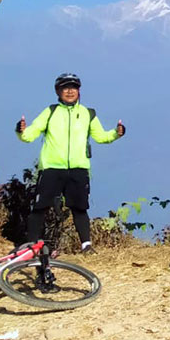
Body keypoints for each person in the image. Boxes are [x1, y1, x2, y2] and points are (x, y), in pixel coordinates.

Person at [16, 73, 125, 252]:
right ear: (58, 91)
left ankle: (86, 246)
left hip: (78, 169)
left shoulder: (87, 113)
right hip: (51, 168)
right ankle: (31, 246)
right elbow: (30, 135)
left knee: (80, 208)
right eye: (65, 88)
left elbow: (101, 136)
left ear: (79, 91)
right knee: (40, 206)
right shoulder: (50, 112)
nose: (69, 91)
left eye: (73, 88)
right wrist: (21, 130)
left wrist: (116, 133)